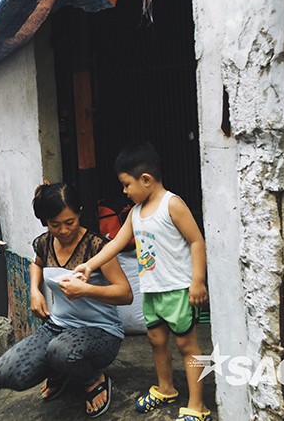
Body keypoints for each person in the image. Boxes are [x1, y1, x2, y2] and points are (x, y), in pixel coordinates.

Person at [74, 141, 211, 421]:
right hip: (152, 291)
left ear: (145, 179)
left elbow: (197, 241)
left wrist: (198, 281)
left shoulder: (172, 204)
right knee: (156, 340)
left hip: (177, 289)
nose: (124, 191)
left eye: (126, 185)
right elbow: (114, 244)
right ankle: (166, 388)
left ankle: (198, 405)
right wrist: (88, 265)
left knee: (187, 346)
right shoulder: (135, 213)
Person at [0, 182, 133, 418]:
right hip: (57, 327)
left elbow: (125, 294)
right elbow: (36, 264)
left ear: (79, 212)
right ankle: (60, 370)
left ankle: (92, 379)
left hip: (101, 332)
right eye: (55, 225)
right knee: (5, 372)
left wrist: (86, 290)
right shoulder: (44, 243)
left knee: (61, 350)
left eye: (70, 222)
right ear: (46, 222)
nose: (64, 230)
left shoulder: (97, 247)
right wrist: (34, 292)